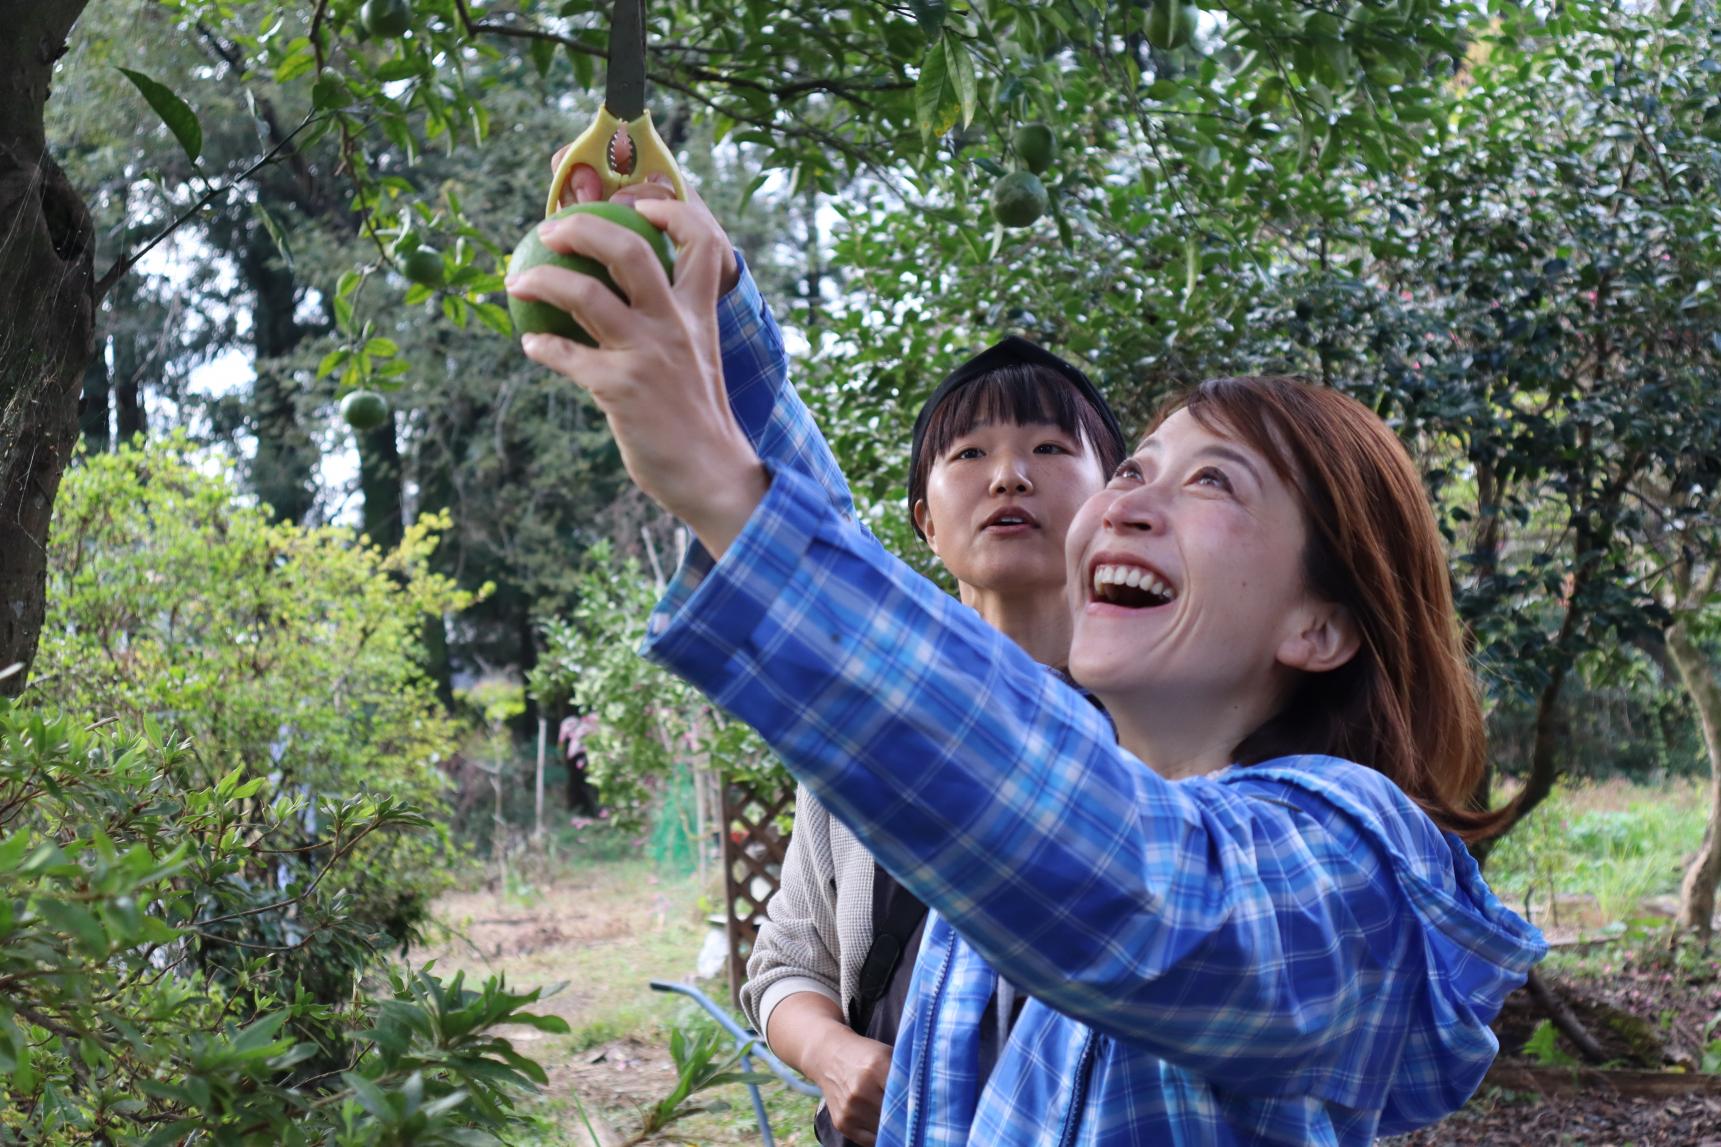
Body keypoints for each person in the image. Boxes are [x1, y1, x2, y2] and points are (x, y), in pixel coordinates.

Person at [506, 195, 1547, 1143]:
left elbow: (1144, 886)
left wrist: (728, 493)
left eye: (1212, 484)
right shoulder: (1011, 860)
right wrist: (714, 302)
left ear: (1320, 626)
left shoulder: (1345, 875)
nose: (1128, 502)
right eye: (1135, 468)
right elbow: (961, 709)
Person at [546, 155, 1128, 1147]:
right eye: (967, 454)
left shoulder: (1162, 725)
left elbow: (830, 572)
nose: (1007, 477)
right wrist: (836, 1058)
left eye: (1046, 448)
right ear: (925, 522)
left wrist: (719, 377)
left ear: (1116, 500)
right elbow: (786, 961)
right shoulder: (859, 743)